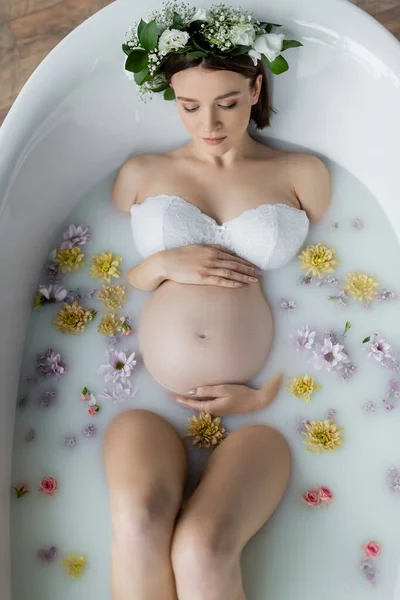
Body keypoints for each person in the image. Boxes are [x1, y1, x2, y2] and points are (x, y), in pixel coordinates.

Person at [102, 4, 332, 599]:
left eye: (228, 102)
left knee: (201, 548)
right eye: (189, 105)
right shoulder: (141, 173)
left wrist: (264, 394)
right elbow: (120, 276)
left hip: (260, 413)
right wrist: (159, 265)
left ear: (256, 88)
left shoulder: (301, 174)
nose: (209, 122)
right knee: (138, 521)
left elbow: (324, 298)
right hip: (144, 400)